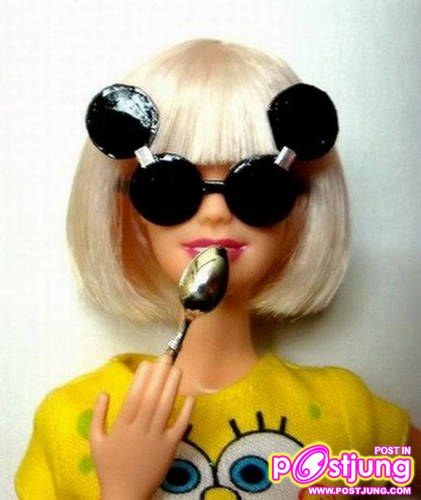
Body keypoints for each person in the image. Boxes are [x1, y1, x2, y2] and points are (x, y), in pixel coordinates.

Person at [15, 39, 420, 500]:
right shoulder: (73, 419)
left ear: (299, 211)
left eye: (259, 187)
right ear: (130, 214)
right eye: (168, 186)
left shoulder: (345, 414)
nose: (215, 213)